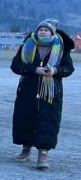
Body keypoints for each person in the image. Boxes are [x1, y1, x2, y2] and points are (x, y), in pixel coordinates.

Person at [10, 20, 74, 170]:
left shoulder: (61, 48)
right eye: (41, 30)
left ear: (52, 33)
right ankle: (26, 149)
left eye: (46, 30)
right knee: (25, 117)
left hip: (50, 92)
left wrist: (55, 71)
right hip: (28, 89)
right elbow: (15, 65)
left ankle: (43, 153)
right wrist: (34, 70)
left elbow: (69, 68)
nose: (43, 32)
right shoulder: (27, 45)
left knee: (48, 120)